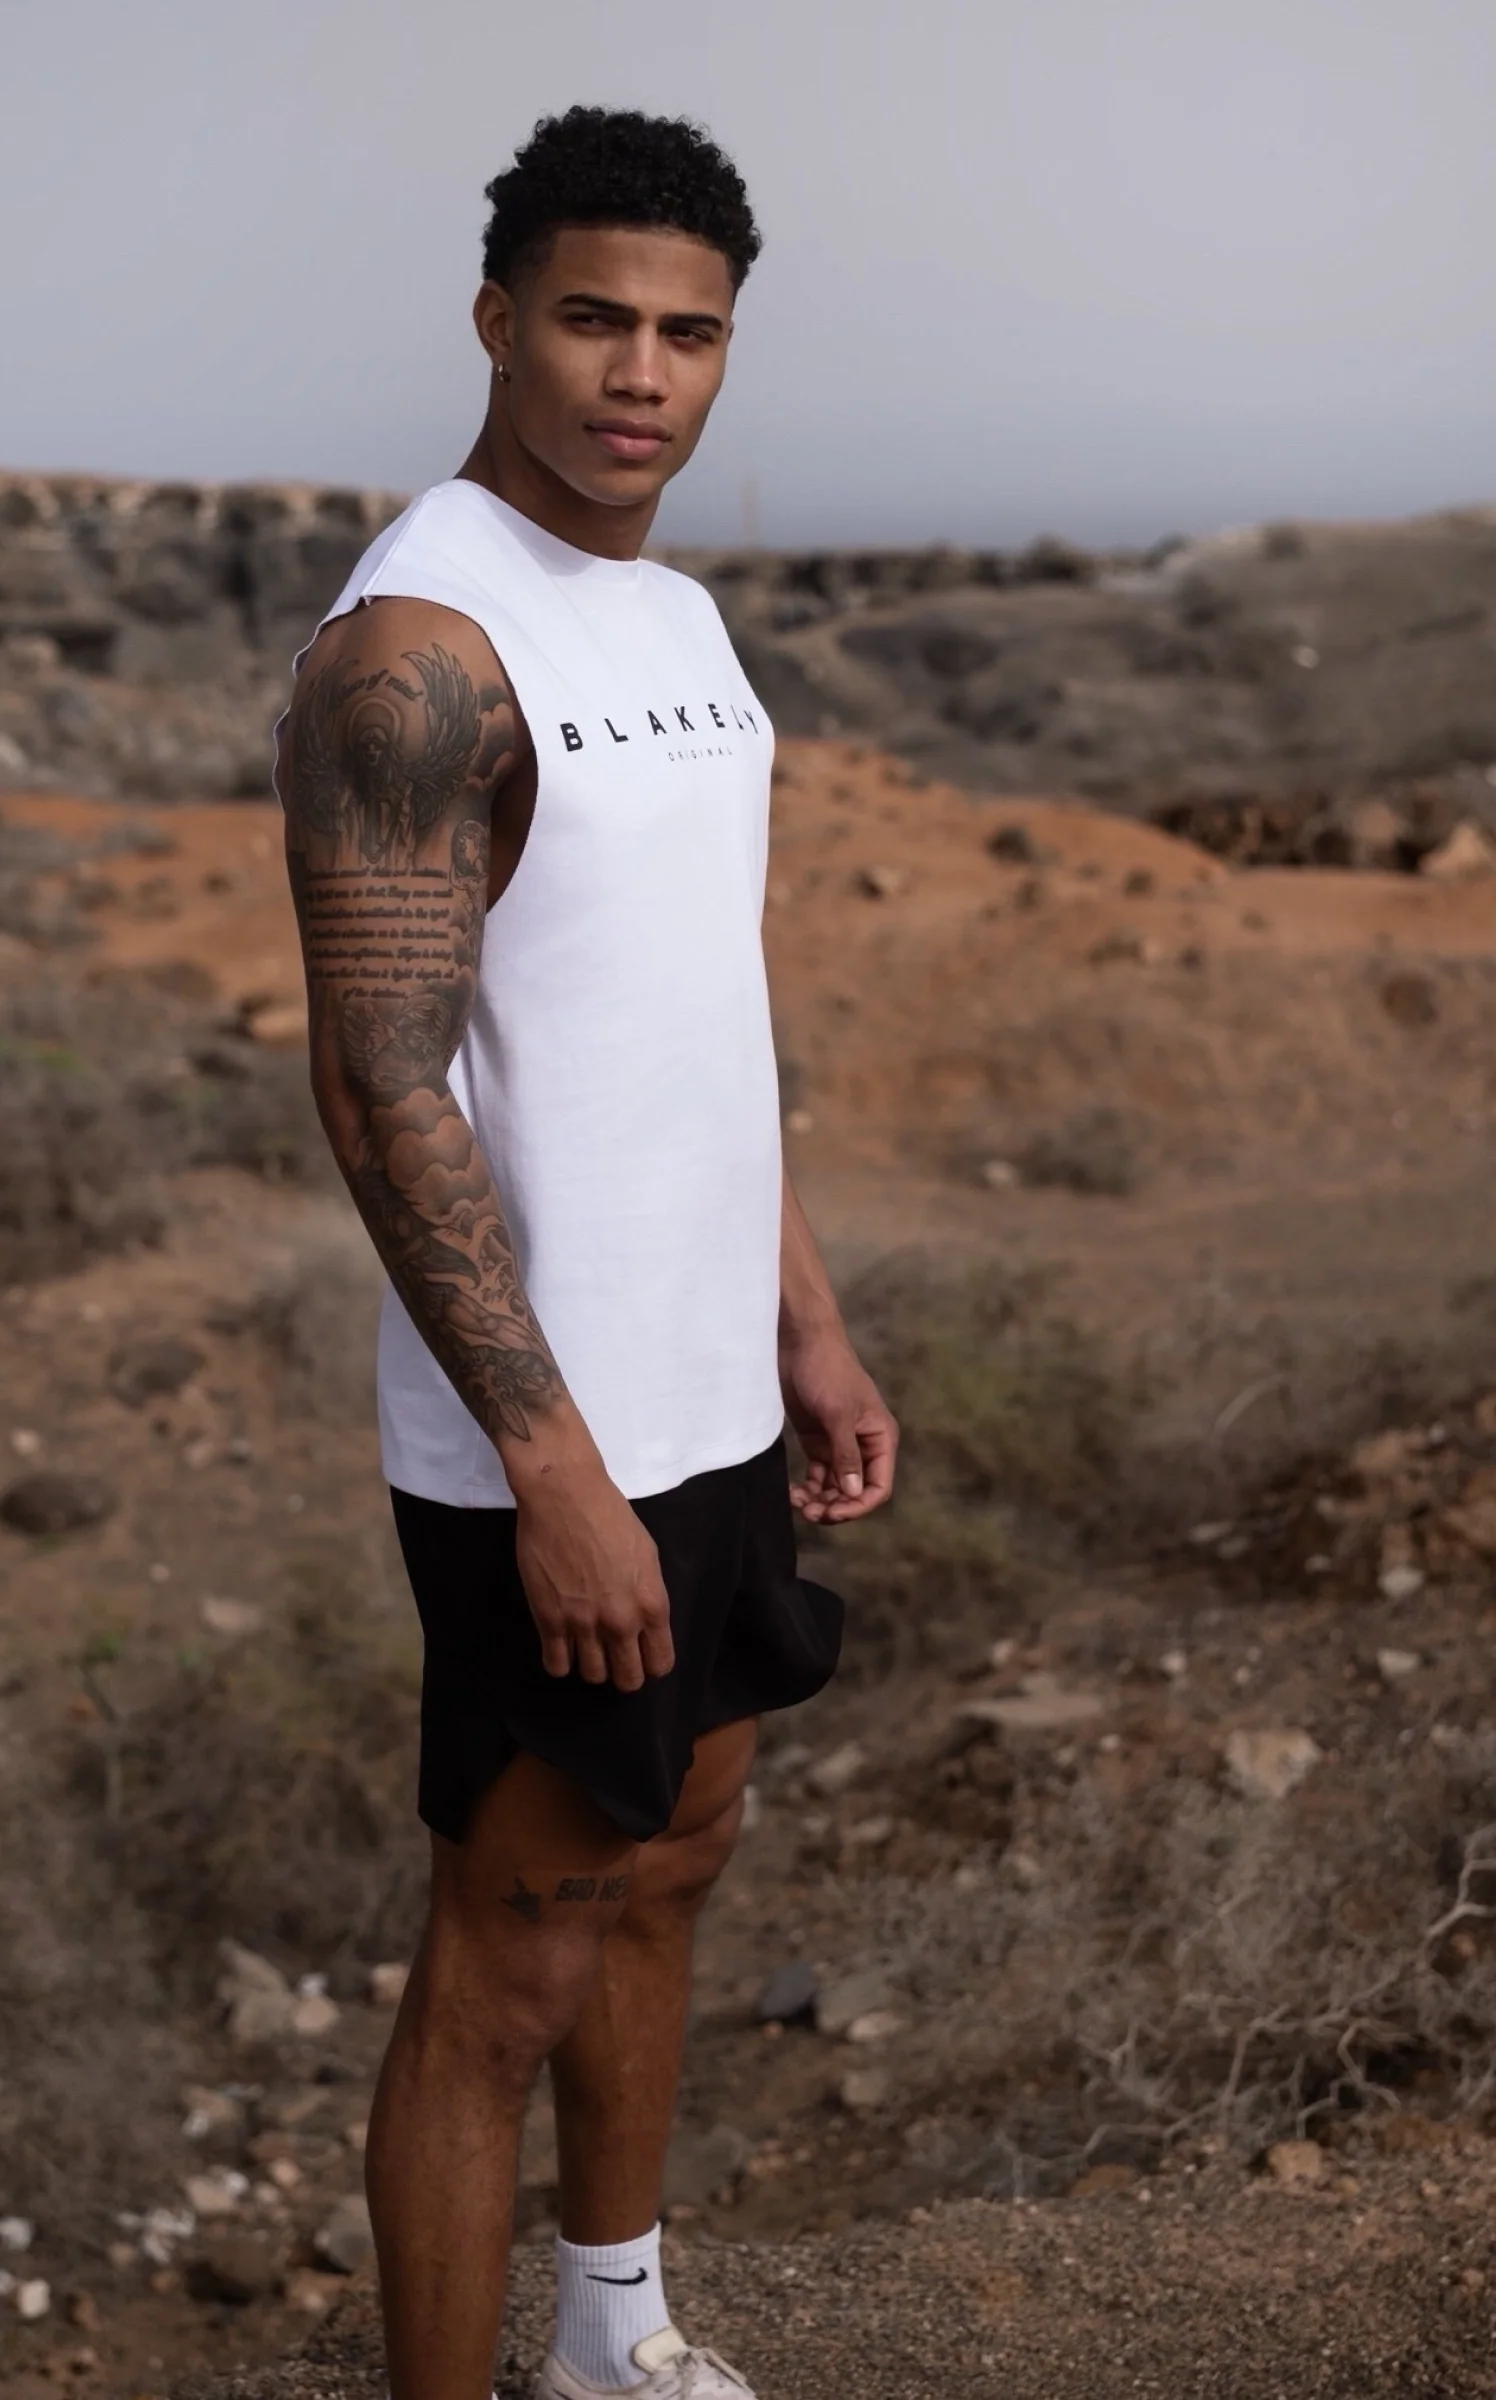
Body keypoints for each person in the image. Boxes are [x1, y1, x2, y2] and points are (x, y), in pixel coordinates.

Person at [275, 104, 898, 2400]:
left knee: (681, 1855)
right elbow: (381, 1089)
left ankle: (613, 2340)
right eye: (592, 320)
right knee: (506, 1963)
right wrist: (553, 1472)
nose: (641, 374)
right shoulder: (418, 648)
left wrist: (802, 1322)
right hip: (548, 1445)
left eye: (688, 335)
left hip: (714, 1397)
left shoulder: (679, 620)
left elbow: (692, 1019)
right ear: (496, 322)